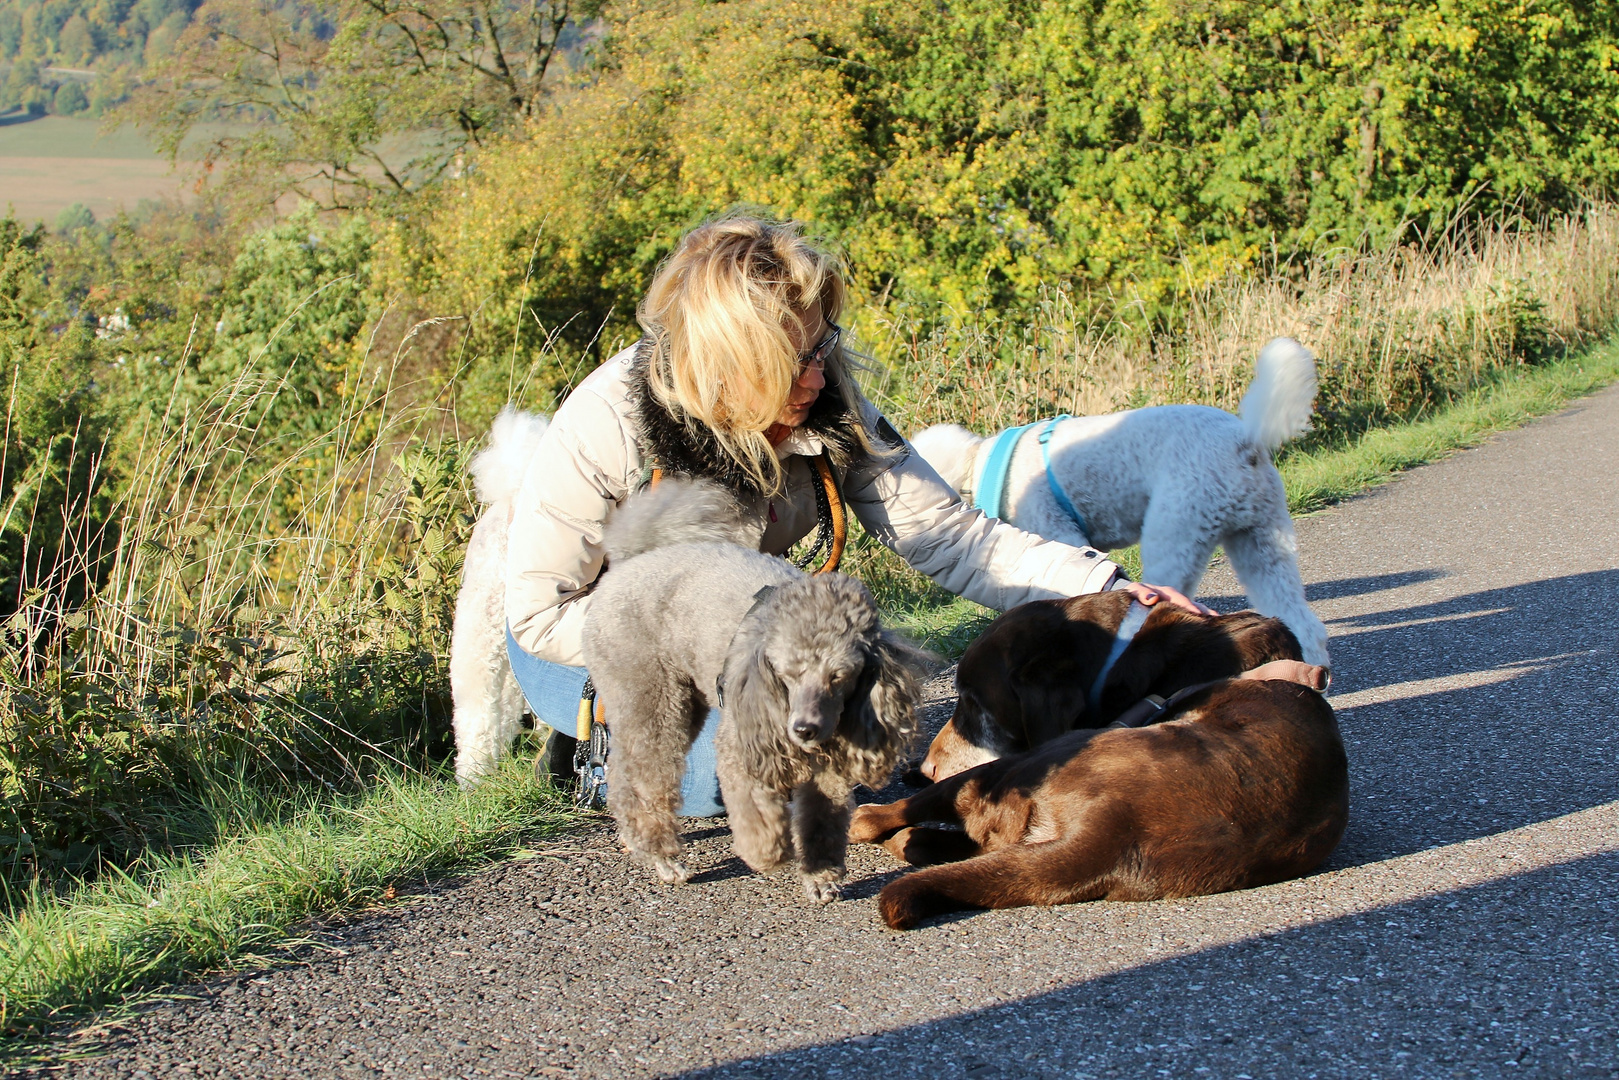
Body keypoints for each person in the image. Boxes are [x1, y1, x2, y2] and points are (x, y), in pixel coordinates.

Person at [502, 213, 1209, 815]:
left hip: (743, 630)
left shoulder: (825, 399)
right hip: (598, 640)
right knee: (740, 778)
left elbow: (953, 539)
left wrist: (1112, 593)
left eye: (820, 346)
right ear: (722, 365)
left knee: (820, 746)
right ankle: (587, 755)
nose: (817, 376)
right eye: (790, 362)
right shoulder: (603, 428)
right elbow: (539, 615)